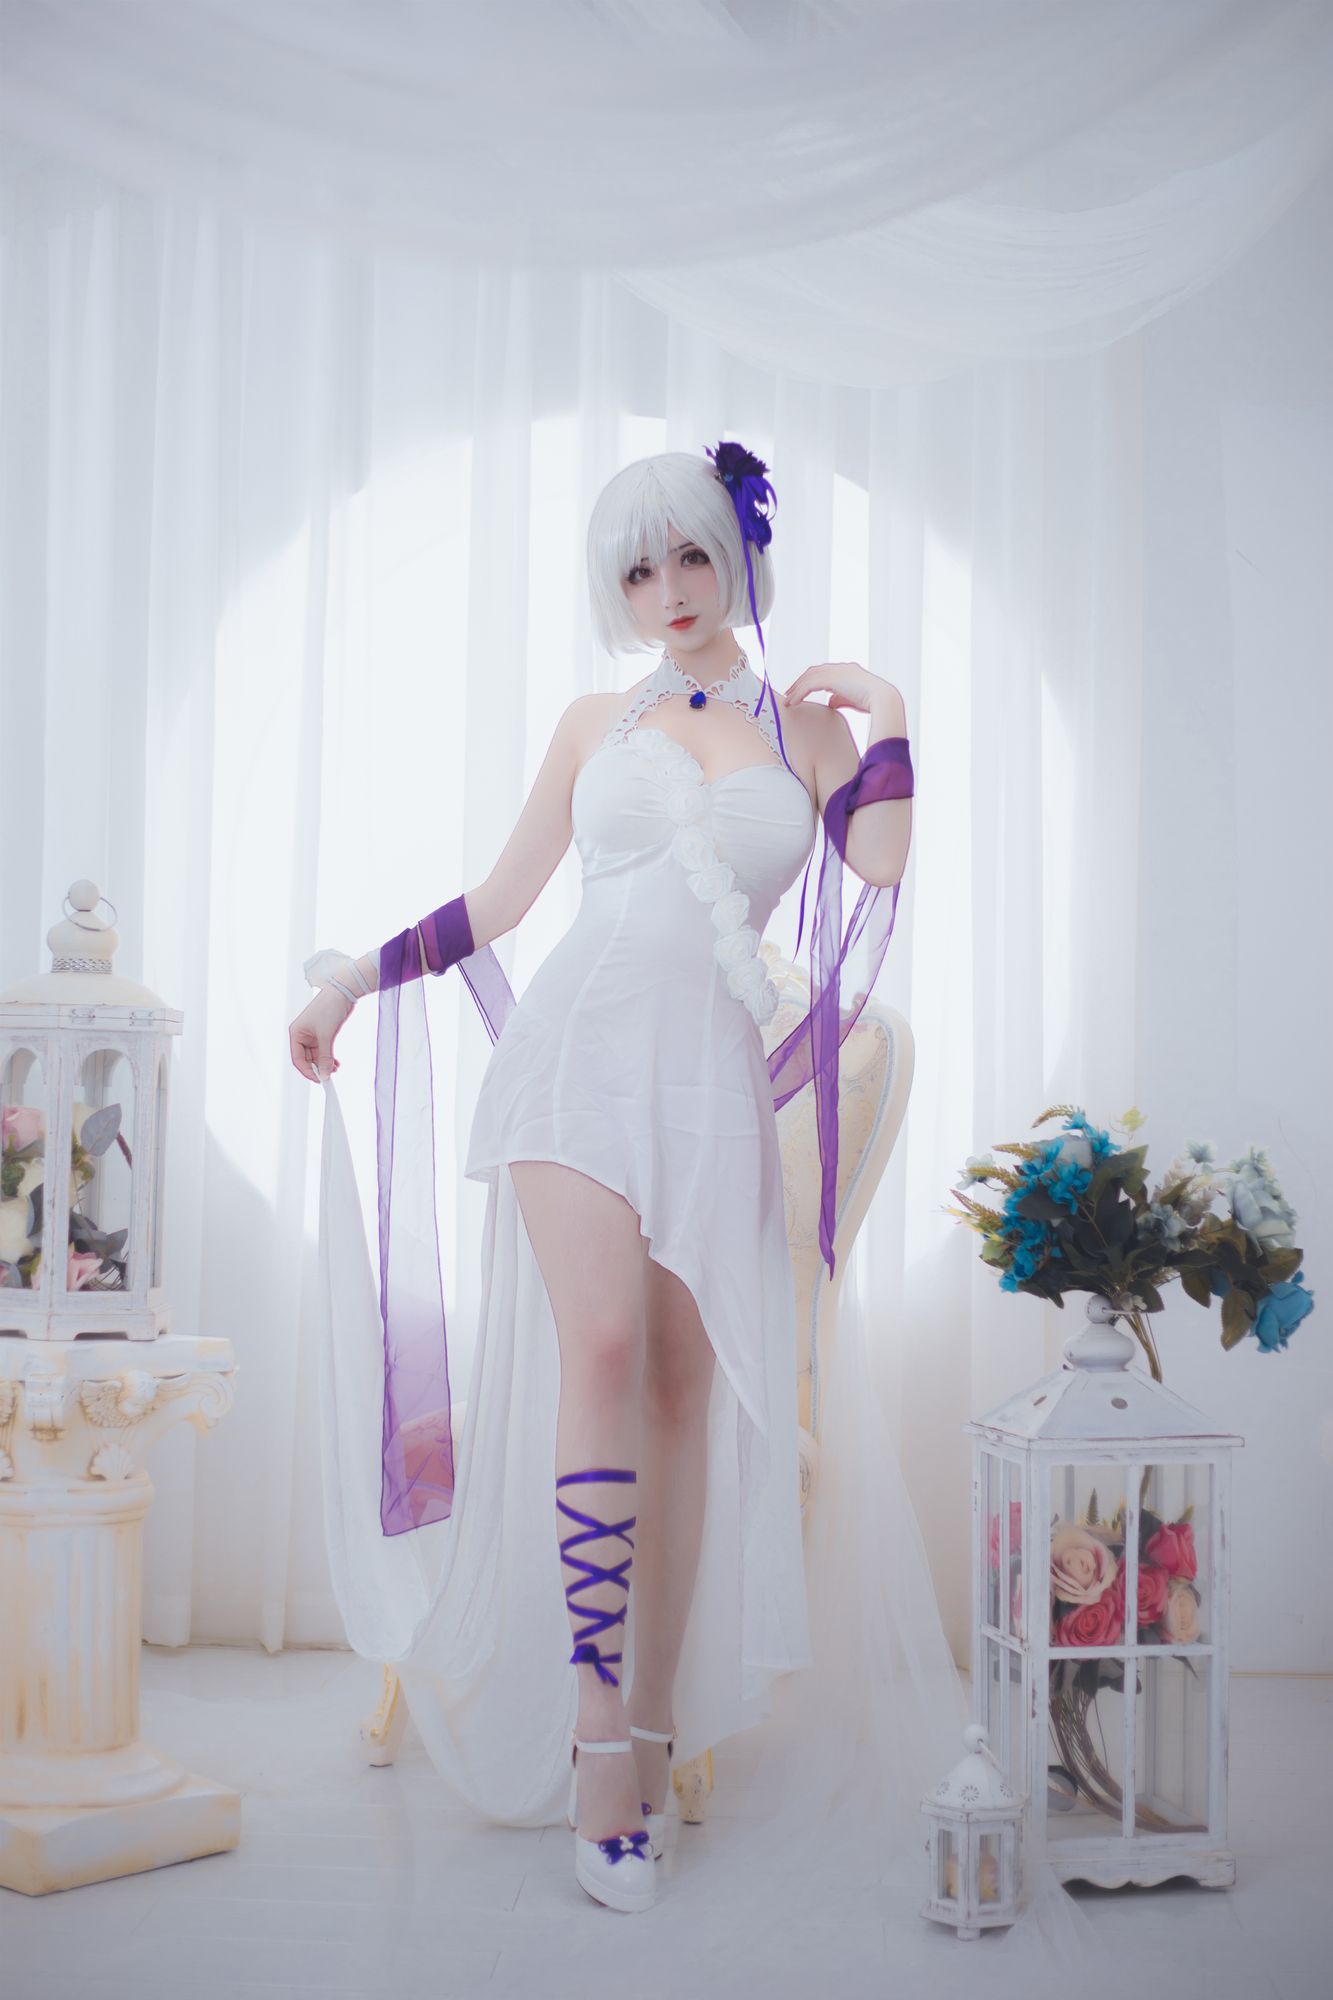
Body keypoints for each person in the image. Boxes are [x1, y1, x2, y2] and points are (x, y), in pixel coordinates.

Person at [287, 444, 939, 1918]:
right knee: (599, 1350)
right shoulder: (596, 721)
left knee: (681, 1400)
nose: (669, 590)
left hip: (706, 1091)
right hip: (571, 1065)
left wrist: (890, 710)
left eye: (692, 557)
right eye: (638, 570)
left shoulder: (802, 733)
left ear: (737, 559)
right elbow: (502, 899)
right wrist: (347, 982)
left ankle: (650, 1729)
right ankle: (594, 1746)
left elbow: (882, 864)